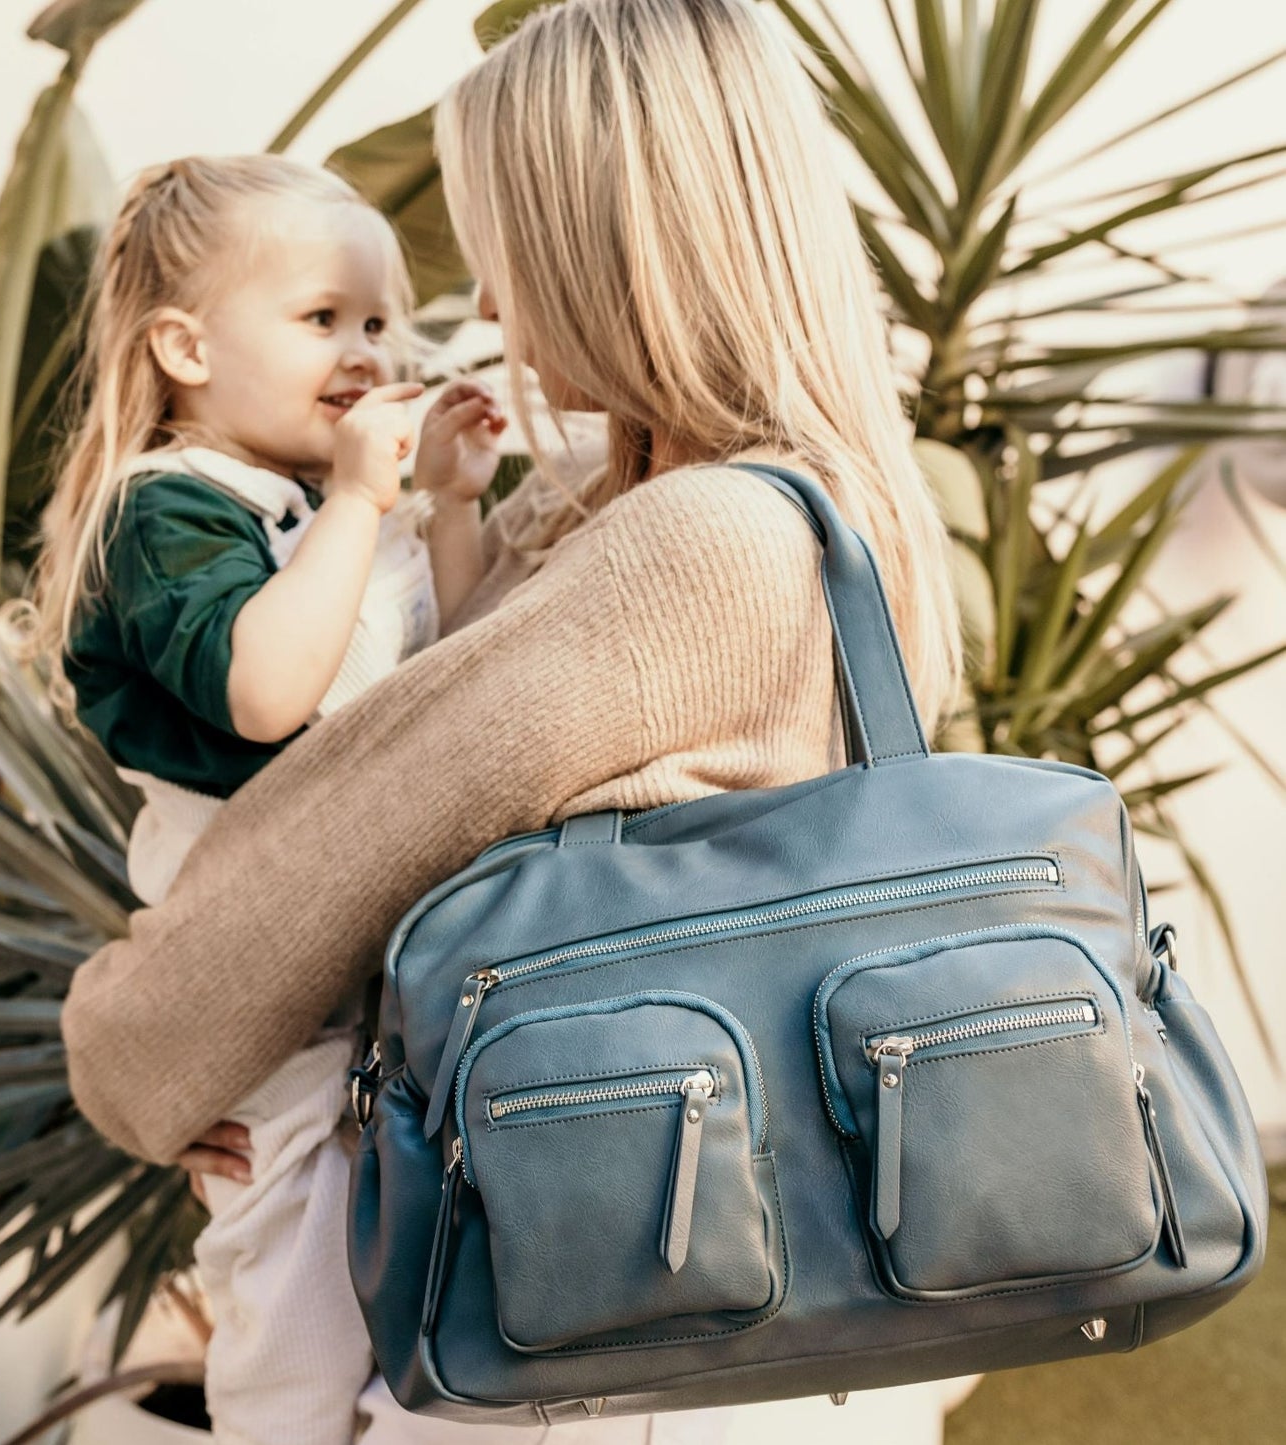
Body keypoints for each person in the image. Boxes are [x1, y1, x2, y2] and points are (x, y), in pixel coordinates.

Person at [61, 0, 965, 1438]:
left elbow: (339, 846)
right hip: (710, 1284)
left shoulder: (697, 545)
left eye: (499, 246)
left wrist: (129, 1058)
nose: (482, 297)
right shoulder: (814, 500)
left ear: (598, 251)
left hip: (609, 1324)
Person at [22, 154, 505, 1445]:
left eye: (374, 321)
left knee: (409, 1342)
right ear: (183, 345)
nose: (361, 350)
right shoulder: (171, 510)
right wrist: (360, 498)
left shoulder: (324, 505)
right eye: (318, 318)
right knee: (293, 1341)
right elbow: (267, 693)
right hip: (271, 1011)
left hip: (379, 996)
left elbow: (449, 674)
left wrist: (446, 508)